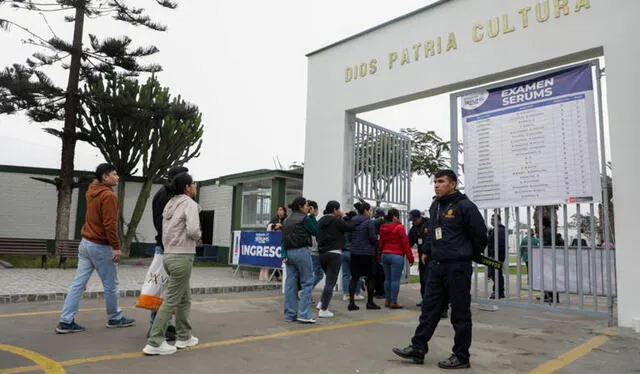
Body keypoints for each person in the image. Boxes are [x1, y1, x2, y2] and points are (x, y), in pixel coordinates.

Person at [393, 169, 488, 369]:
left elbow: (480, 236)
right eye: (435, 182)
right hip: (437, 265)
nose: (436, 185)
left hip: (458, 266)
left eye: (441, 181)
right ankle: (418, 347)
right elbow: (432, 233)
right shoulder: (436, 206)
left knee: (460, 312)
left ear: (452, 184)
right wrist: (427, 250)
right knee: (429, 308)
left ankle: (461, 356)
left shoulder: (465, 206)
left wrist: (466, 253)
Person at [56, 163, 136, 334]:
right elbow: (109, 224)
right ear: (105, 177)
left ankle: (66, 320)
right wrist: (115, 247)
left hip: (85, 243)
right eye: (114, 174)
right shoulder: (108, 196)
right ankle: (115, 317)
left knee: (78, 284)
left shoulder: (92, 189)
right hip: (101, 246)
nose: (117, 177)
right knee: (111, 284)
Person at [143, 172, 201, 355]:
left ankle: (184, 337)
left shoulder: (170, 203)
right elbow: (192, 229)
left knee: (185, 298)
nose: (195, 186)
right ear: (187, 187)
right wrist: (198, 236)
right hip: (183, 256)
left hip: (168, 255)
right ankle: (154, 342)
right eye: (193, 183)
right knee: (171, 301)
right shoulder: (189, 204)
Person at [147, 166, 189, 341]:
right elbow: (166, 224)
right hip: (169, 248)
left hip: (164, 246)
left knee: (163, 288)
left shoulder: (162, 194)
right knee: (167, 290)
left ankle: (165, 325)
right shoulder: (169, 196)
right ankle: (157, 329)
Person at [281, 197, 319, 323]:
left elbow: (283, 240)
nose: (308, 208)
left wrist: (284, 253)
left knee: (290, 285)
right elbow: (316, 231)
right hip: (302, 252)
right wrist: (312, 216)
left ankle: (290, 314)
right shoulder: (306, 218)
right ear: (301, 207)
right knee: (307, 283)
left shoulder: (286, 220)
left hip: (289, 253)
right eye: (307, 205)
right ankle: (304, 314)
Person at [316, 201, 355, 317]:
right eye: (338, 209)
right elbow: (350, 227)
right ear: (334, 210)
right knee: (330, 282)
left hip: (322, 254)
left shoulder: (321, 221)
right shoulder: (337, 220)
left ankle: (321, 302)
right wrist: (344, 217)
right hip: (335, 253)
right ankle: (323, 309)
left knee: (328, 280)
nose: (339, 211)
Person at [347, 201, 381, 311]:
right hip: (368, 253)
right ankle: (370, 302)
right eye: (370, 210)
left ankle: (351, 303)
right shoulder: (369, 222)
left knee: (354, 277)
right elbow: (372, 238)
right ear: (366, 211)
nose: (371, 212)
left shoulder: (352, 221)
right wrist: (377, 244)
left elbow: (350, 237)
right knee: (371, 277)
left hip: (355, 252)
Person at [379, 208, 414, 309]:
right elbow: (405, 244)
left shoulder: (383, 227)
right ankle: (393, 302)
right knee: (395, 280)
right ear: (395, 217)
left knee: (387, 279)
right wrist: (410, 258)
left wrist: (379, 254)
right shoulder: (399, 227)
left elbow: (381, 243)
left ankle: (387, 300)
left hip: (385, 255)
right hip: (396, 256)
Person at [408, 209, 429, 307]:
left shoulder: (429, 224)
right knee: (423, 280)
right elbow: (409, 243)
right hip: (422, 258)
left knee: (433, 280)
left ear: (420, 218)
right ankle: (424, 299)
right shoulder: (413, 230)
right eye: (412, 220)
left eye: (415, 220)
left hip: (432, 256)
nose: (413, 222)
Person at [342, 212, 364, 301]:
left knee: (345, 275)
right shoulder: (355, 228)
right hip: (354, 253)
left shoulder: (343, 228)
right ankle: (356, 293)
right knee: (356, 275)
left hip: (343, 253)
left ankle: (346, 294)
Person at [487, 212, 506, 299]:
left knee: (496, 274)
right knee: (495, 274)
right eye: (491, 219)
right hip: (495, 255)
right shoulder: (496, 230)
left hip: (497, 256)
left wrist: (493, 254)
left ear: (499, 220)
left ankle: (498, 292)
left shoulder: (500, 230)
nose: (492, 221)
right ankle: (498, 291)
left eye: (493, 220)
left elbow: (500, 244)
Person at [308, 201, 324, 289]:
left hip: (311, 251)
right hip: (314, 252)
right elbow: (316, 232)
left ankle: (306, 292)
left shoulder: (307, 219)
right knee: (318, 274)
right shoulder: (310, 220)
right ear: (315, 209)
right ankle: (305, 292)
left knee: (317, 274)